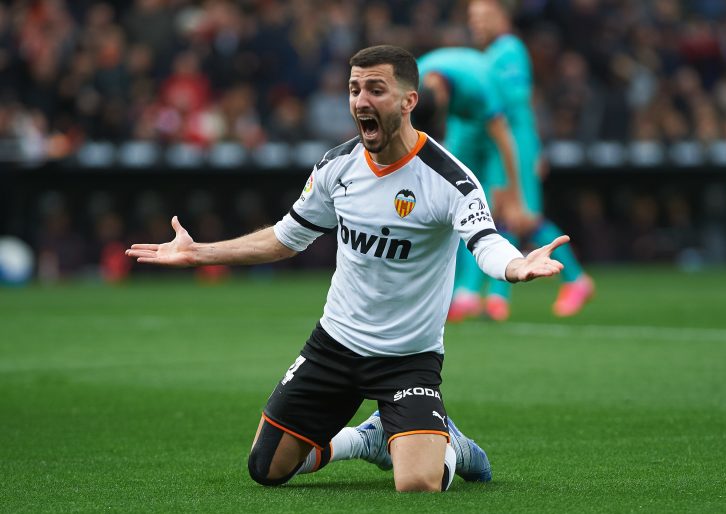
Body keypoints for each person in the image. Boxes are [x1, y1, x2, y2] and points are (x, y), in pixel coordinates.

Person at [126, 45, 569, 492]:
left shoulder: (449, 178)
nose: (361, 100)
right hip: (335, 346)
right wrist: (198, 253)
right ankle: (368, 439)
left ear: (408, 101)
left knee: (418, 483)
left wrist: (516, 265)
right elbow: (285, 237)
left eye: (375, 89)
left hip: (408, 358)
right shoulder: (337, 167)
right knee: (266, 468)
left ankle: (452, 445)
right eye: (354, 89)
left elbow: (484, 242)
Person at [452, 0, 594, 320]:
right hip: (498, 145)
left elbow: (511, 102)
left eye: (483, 16)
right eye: (472, 18)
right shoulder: (493, 53)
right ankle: (490, 298)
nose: (476, 23)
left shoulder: (509, 50)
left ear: (502, 17)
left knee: (520, 217)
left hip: (514, 144)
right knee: (497, 216)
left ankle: (574, 279)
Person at [415, 46, 535, 322]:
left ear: (443, 94)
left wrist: (514, 192)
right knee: (454, 206)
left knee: (496, 208)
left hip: (498, 125)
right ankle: (465, 293)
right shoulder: (413, 82)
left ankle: (497, 296)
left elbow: (503, 139)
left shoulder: (478, 86)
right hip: (463, 125)